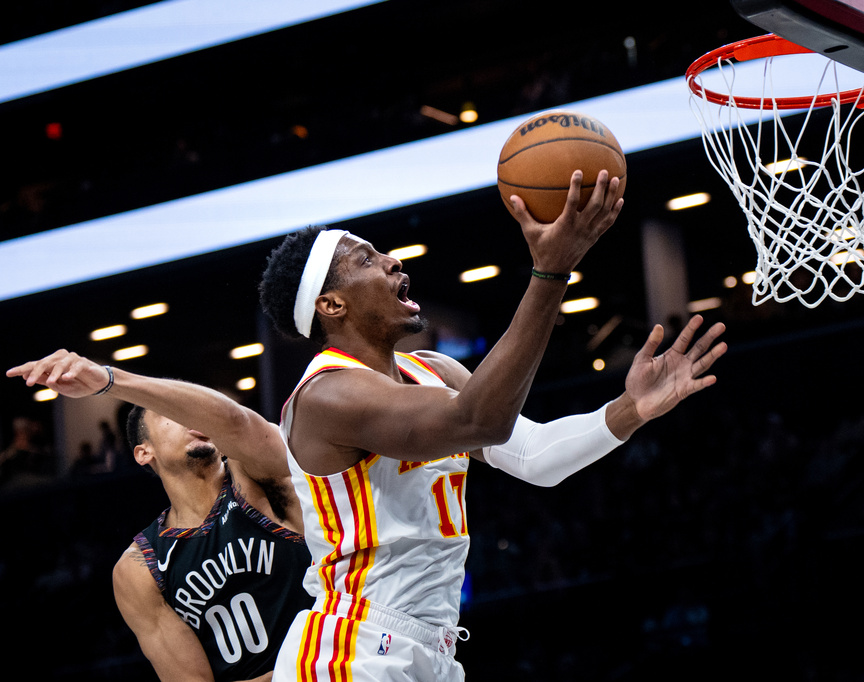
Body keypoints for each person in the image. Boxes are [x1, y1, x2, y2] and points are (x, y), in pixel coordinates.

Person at [257, 170, 727, 680]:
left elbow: (534, 457)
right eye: (366, 259)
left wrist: (631, 408)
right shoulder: (328, 395)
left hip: (425, 648)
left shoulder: (431, 370)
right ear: (332, 305)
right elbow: (481, 419)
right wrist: (550, 273)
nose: (392, 260)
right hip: (350, 650)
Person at [6, 352, 314, 682]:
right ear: (143, 452)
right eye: (172, 413)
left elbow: (235, 422)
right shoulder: (139, 569)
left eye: (195, 408)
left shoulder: (255, 476)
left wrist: (108, 380)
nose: (193, 418)